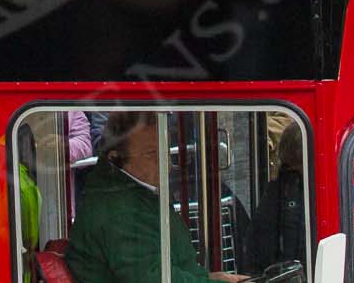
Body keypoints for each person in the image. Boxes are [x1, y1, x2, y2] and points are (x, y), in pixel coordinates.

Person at [64, 112, 245, 283]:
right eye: (151, 153)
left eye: (165, 150)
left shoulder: (133, 194)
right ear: (116, 159)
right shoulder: (119, 212)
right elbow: (153, 278)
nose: (164, 161)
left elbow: (166, 268)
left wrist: (209, 278)